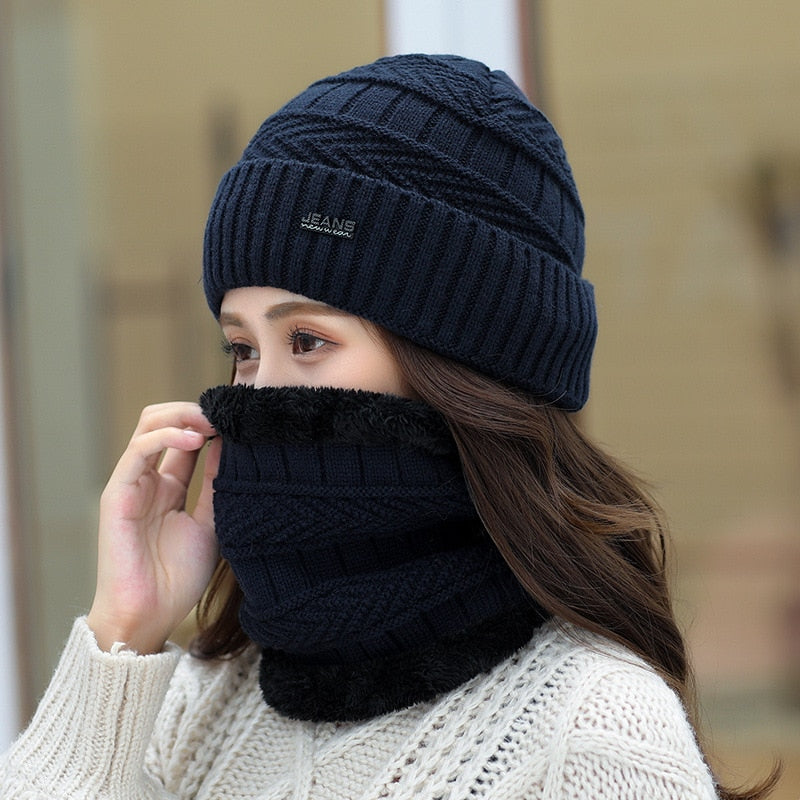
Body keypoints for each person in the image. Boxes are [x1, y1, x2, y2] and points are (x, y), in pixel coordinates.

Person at [0, 53, 780, 799]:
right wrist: (122, 634)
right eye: (241, 349)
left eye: (307, 341)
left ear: (460, 371)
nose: (258, 393)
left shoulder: (593, 734)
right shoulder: (200, 704)